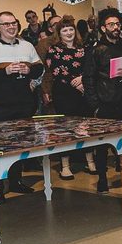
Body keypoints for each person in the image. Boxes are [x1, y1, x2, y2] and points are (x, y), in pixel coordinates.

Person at [0, 11, 44, 201]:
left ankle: (16, 181)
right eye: (6, 24)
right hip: (1, 105)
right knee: (0, 147)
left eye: (13, 23)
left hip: (24, 103)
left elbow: (40, 67)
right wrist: (3, 71)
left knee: (20, 146)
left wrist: (29, 69)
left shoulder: (27, 45)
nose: (11, 27)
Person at [83, 8, 122, 191]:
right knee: (103, 144)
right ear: (103, 28)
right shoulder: (96, 50)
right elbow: (88, 79)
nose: (116, 27)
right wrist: (94, 105)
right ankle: (102, 178)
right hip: (106, 105)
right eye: (111, 24)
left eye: (118, 24)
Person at [45, 17, 95, 179]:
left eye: (71, 29)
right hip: (64, 93)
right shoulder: (54, 50)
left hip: (84, 91)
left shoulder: (84, 48)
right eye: (64, 30)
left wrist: (82, 79)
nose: (68, 33)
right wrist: (76, 83)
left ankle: (90, 161)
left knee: (86, 127)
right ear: (59, 33)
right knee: (65, 129)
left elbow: (90, 67)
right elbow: (56, 70)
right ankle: (65, 166)